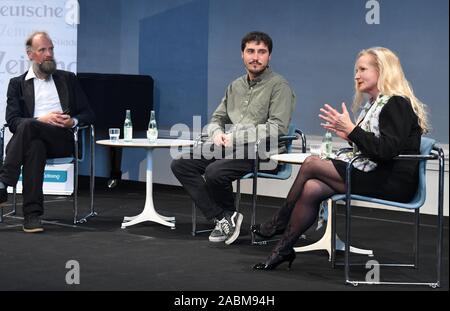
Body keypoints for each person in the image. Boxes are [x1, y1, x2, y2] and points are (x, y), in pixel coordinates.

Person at [252, 47, 429, 270]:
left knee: (311, 164)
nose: (356, 75)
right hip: (375, 174)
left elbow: (387, 151)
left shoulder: (396, 103)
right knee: (313, 188)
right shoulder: (376, 103)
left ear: (382, 71)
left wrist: (353, 131)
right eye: (356, 70)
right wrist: (350, 136)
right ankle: (282, 250)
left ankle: (278, 222)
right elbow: (375, 147)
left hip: (392, 182)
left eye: (363, 69)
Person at [171, 31, 296, 245]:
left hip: (264, 150)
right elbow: (217, 118)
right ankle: (223, 218)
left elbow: (277, 128)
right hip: (229, 147)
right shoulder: (235, 86)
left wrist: (235, 137)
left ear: (269, 57)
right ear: (242, 54)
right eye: (250, 51)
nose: (255, 57)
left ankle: (227, 216)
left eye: (261, 52)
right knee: (181, 164)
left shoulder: (279, 85)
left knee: (214, 171)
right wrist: (217, 133)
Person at [0, 31, 94, 233]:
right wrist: (40, 120)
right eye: (42, 50)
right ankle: (32, 216)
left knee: (28, 127)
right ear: (30, 54)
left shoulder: (67, 79)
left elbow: (89, 113)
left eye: (51, 48)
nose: (49, 54)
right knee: (34, 145)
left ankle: (3, 183)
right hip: (33, 139)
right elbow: (13, 121)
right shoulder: (17, 84)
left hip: (61, 138)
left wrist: (73, 121)